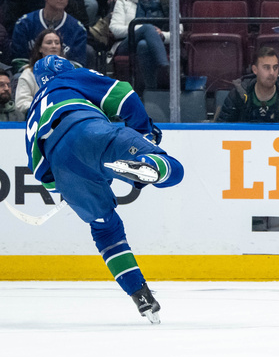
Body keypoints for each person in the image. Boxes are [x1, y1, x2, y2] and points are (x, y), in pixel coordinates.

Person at [23, 55, 184, 322]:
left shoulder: (32, 113)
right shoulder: (70, 77)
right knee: (174, 169)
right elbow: (122, 94)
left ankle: (140, 295)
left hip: (64, 168)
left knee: (105, 228)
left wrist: (69, 184)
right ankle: (147, 164)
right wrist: (143, 133)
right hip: (86, 128)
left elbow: (42, 173)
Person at [109, 0, 170, 93]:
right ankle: (165, 68)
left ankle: (149, 91)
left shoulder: (166, 2)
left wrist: (162, 35)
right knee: (147, 27)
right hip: (127, 45)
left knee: (143, 45)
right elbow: (115, 29)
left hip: (159, 44)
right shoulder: (124, 0)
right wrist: (142, 29)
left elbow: (179, 30)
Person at [10, 0, 87, 66]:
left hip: (63, 77)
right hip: (30, 76)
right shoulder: (24, 24)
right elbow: (18, 62)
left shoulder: (77, 29)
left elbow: (77, 65)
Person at [216, 47, 279, 123]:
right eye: (266, 67)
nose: (272, 73)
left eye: (275, 67)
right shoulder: (238, 95)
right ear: (255, 70)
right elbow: (222, 130)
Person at [13, 30, 70, 119]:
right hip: (38, 120)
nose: (54, 46)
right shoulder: (29, 73)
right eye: (49, 43)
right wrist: (46, 108)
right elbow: (21, 103)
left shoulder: (70, 73)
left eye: (57, 43)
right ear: (40, 48)